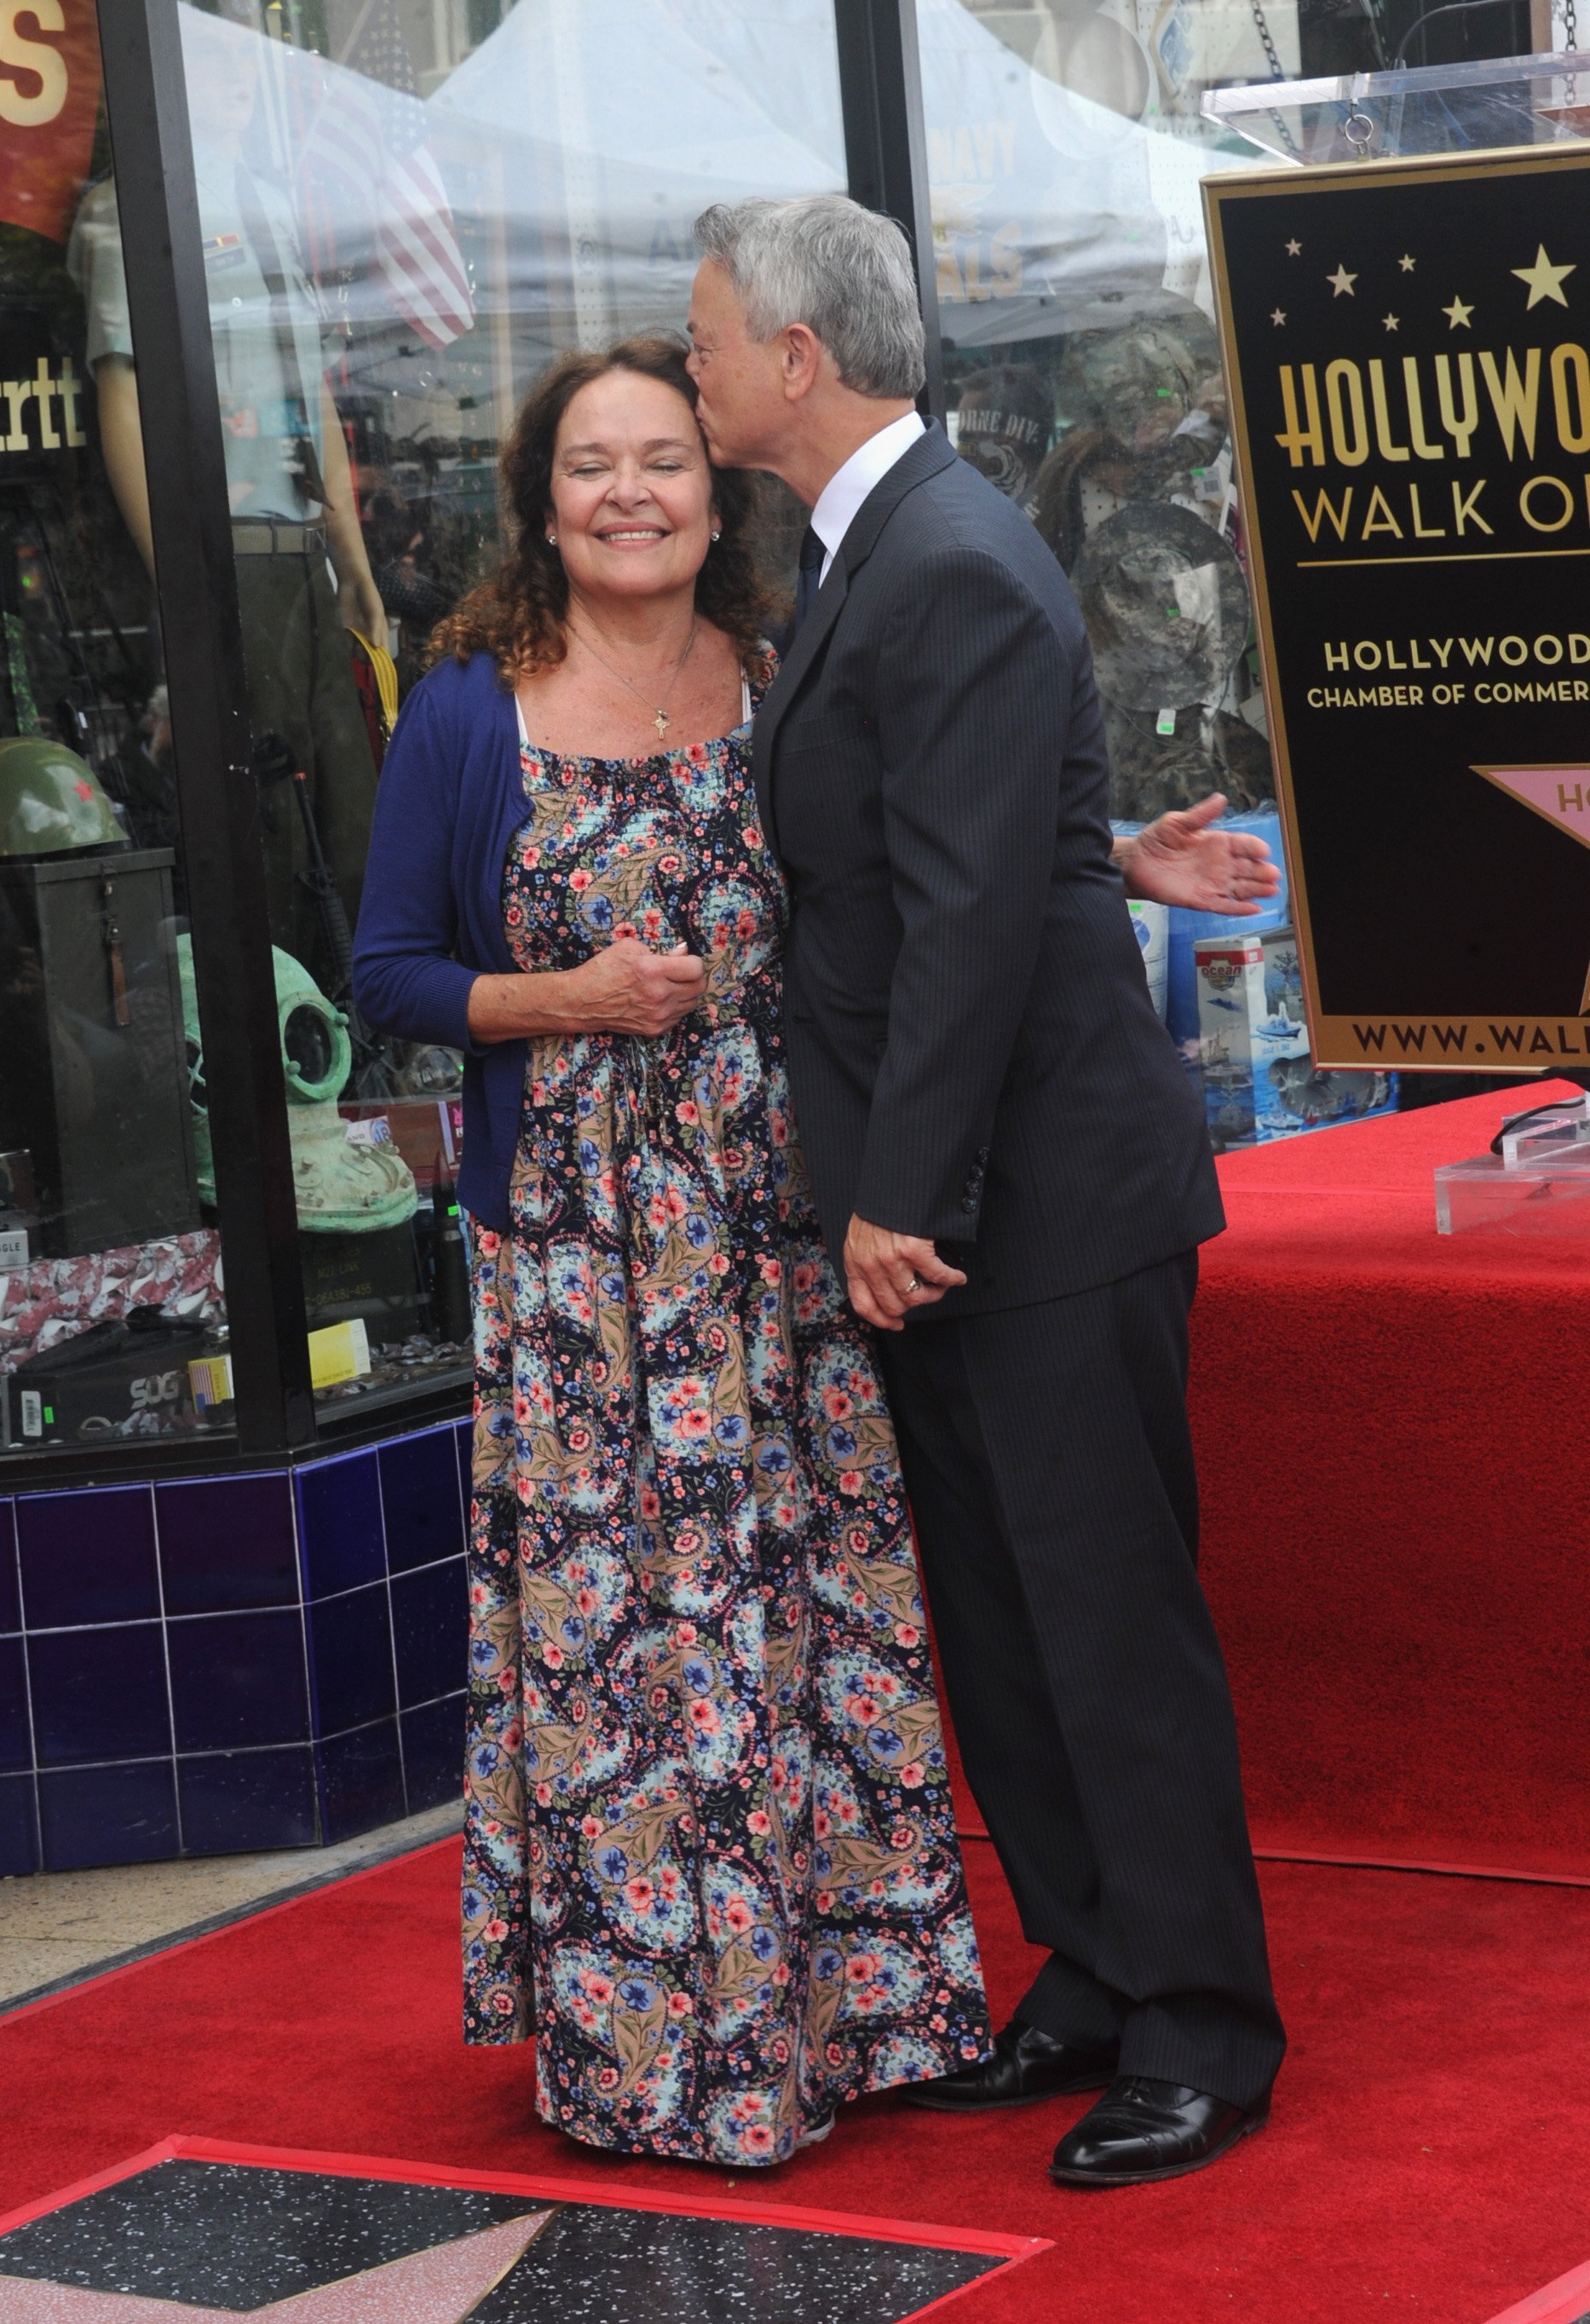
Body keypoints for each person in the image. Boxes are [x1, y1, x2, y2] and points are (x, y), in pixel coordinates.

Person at [685, 194, 1287, 2189]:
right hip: (961, 1194)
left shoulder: (937, 554)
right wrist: (1104, 850)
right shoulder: (886, 545)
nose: (685, 366)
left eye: (704, 335)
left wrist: (896, 1192)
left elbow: (952, 915)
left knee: (1101, 1617)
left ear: (795, 355)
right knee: (1010, 1623)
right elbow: (949, 835)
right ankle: (1098, 1968)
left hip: (1019, 1194)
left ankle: (1203, 2019)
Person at [350, 335, 995, 2167]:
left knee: (808, 1605)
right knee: (615, 1640)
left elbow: (905, 891)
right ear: (538, 504)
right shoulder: (473, 705)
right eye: (588, 463)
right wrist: (568, 994)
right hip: (579, 1273)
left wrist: (1110, 869)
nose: (628, 489)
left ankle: (852, 2011)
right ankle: (653, 2046)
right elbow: (388, 963)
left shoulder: (787, 674)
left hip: (786, 1235)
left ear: (718, 492)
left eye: (661, 456)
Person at [66, 0, 386, 981]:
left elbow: (314, 397)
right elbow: (126, 394)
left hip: (305, 567)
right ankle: (289, 1058)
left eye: (251, 61)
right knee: (266, 833)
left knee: (353, 817)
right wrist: (184, 577)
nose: (243, 78)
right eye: (217, 60)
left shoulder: (268, 210)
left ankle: (360, 1031)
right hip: (231, 553)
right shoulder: (131, 213)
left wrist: (357, 565)